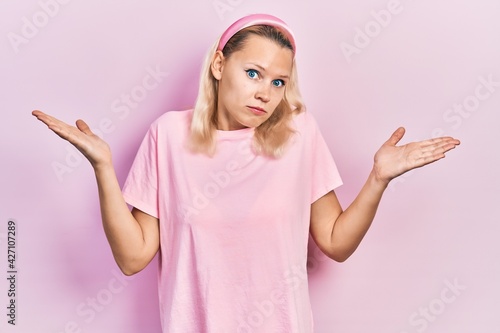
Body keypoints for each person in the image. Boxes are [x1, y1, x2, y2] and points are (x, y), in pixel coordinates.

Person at [32, 14, 460, 333]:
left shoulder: (299, 134)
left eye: (278, 82)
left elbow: (335, 242)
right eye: (253, 73)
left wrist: (378, 178)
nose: (265, 93)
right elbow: (132, 257)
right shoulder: (168, 136)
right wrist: (103, 167)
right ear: (219, 66)